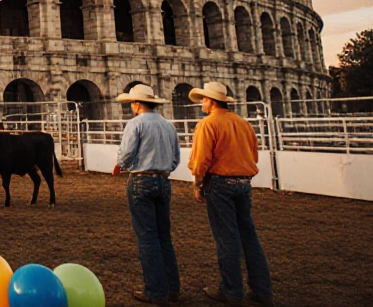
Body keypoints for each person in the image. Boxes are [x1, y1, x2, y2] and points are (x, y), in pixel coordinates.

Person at [188, 82, 273, 306]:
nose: (202, 104)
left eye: (204, 100)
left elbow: (201, 160)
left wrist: (198, 184)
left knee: (226, 237)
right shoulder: (243, 123)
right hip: (244, 183)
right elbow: (253, 155)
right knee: (249, 235)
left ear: (211, 101)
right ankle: (262, 289)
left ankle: (231, 291)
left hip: (220, 184)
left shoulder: (208, 124)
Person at [113, 84, 181, 306]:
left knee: (147, 237)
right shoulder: (168, 126)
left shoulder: (135, 124)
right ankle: (172, 288)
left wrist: (121, 164)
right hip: (163, 180)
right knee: (164, 236)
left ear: (137, 104)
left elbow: (127, 154)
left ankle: (155, 291)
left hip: (141, 180)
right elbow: (175, 159)